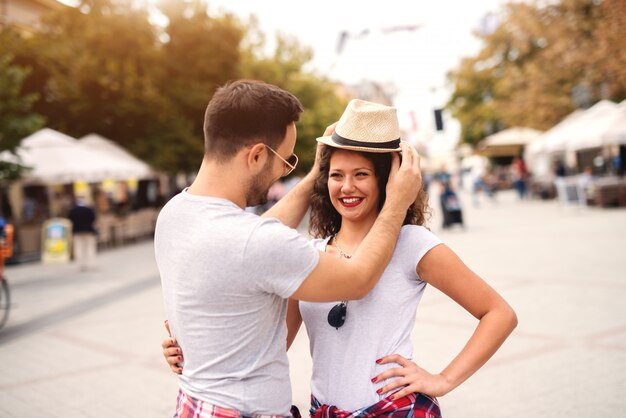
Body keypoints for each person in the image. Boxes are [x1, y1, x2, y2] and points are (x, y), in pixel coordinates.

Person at [162, 98, 518, 417]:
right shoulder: (309, 254)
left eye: (361, 174)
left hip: (392, 410)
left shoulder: (412, 243)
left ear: (387, 181)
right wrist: (195, 348)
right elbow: (272, 339)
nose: (346, 187)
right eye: (336, 175)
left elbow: (499, 313)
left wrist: (442, 379)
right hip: (325, 411)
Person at [154, 83, 422, 417]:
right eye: (286, 159)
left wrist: (317, 172)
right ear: (256, 156)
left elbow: (255, 240)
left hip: (193, 405)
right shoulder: (254, 243)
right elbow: (357, 278)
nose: (285, 170)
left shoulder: (175, 214)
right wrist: (397, 202)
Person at [67, 195, 98, 271]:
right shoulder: (89, 209)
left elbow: (70, 219)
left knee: (79, 248)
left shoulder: (73, 210)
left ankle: (81, 264)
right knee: (89, 248)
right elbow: (93, 218)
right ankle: (91, 264)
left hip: (77, 231)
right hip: (88, 231)